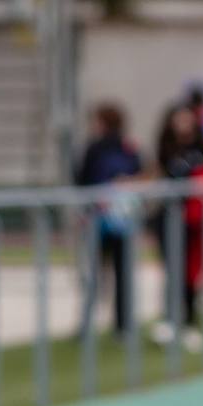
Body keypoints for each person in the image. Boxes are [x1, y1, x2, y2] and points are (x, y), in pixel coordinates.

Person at [75, 102, 144, 337]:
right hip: (111, 218)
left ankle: (96, 325)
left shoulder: (105, 148)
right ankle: (119, 326)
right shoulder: (125, 148)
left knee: (100, 274)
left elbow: (82, 178)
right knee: (112, 273)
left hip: (110, 218)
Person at [149, 102, 203, 353]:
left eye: (187, 120)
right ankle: (169, 320)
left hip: (192, 219)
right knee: (171, 270)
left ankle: (190, 323)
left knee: (189, 272)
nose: (182, 125)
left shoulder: (201, 150)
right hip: (168, 217)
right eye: (178, 120)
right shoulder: (166, 150)